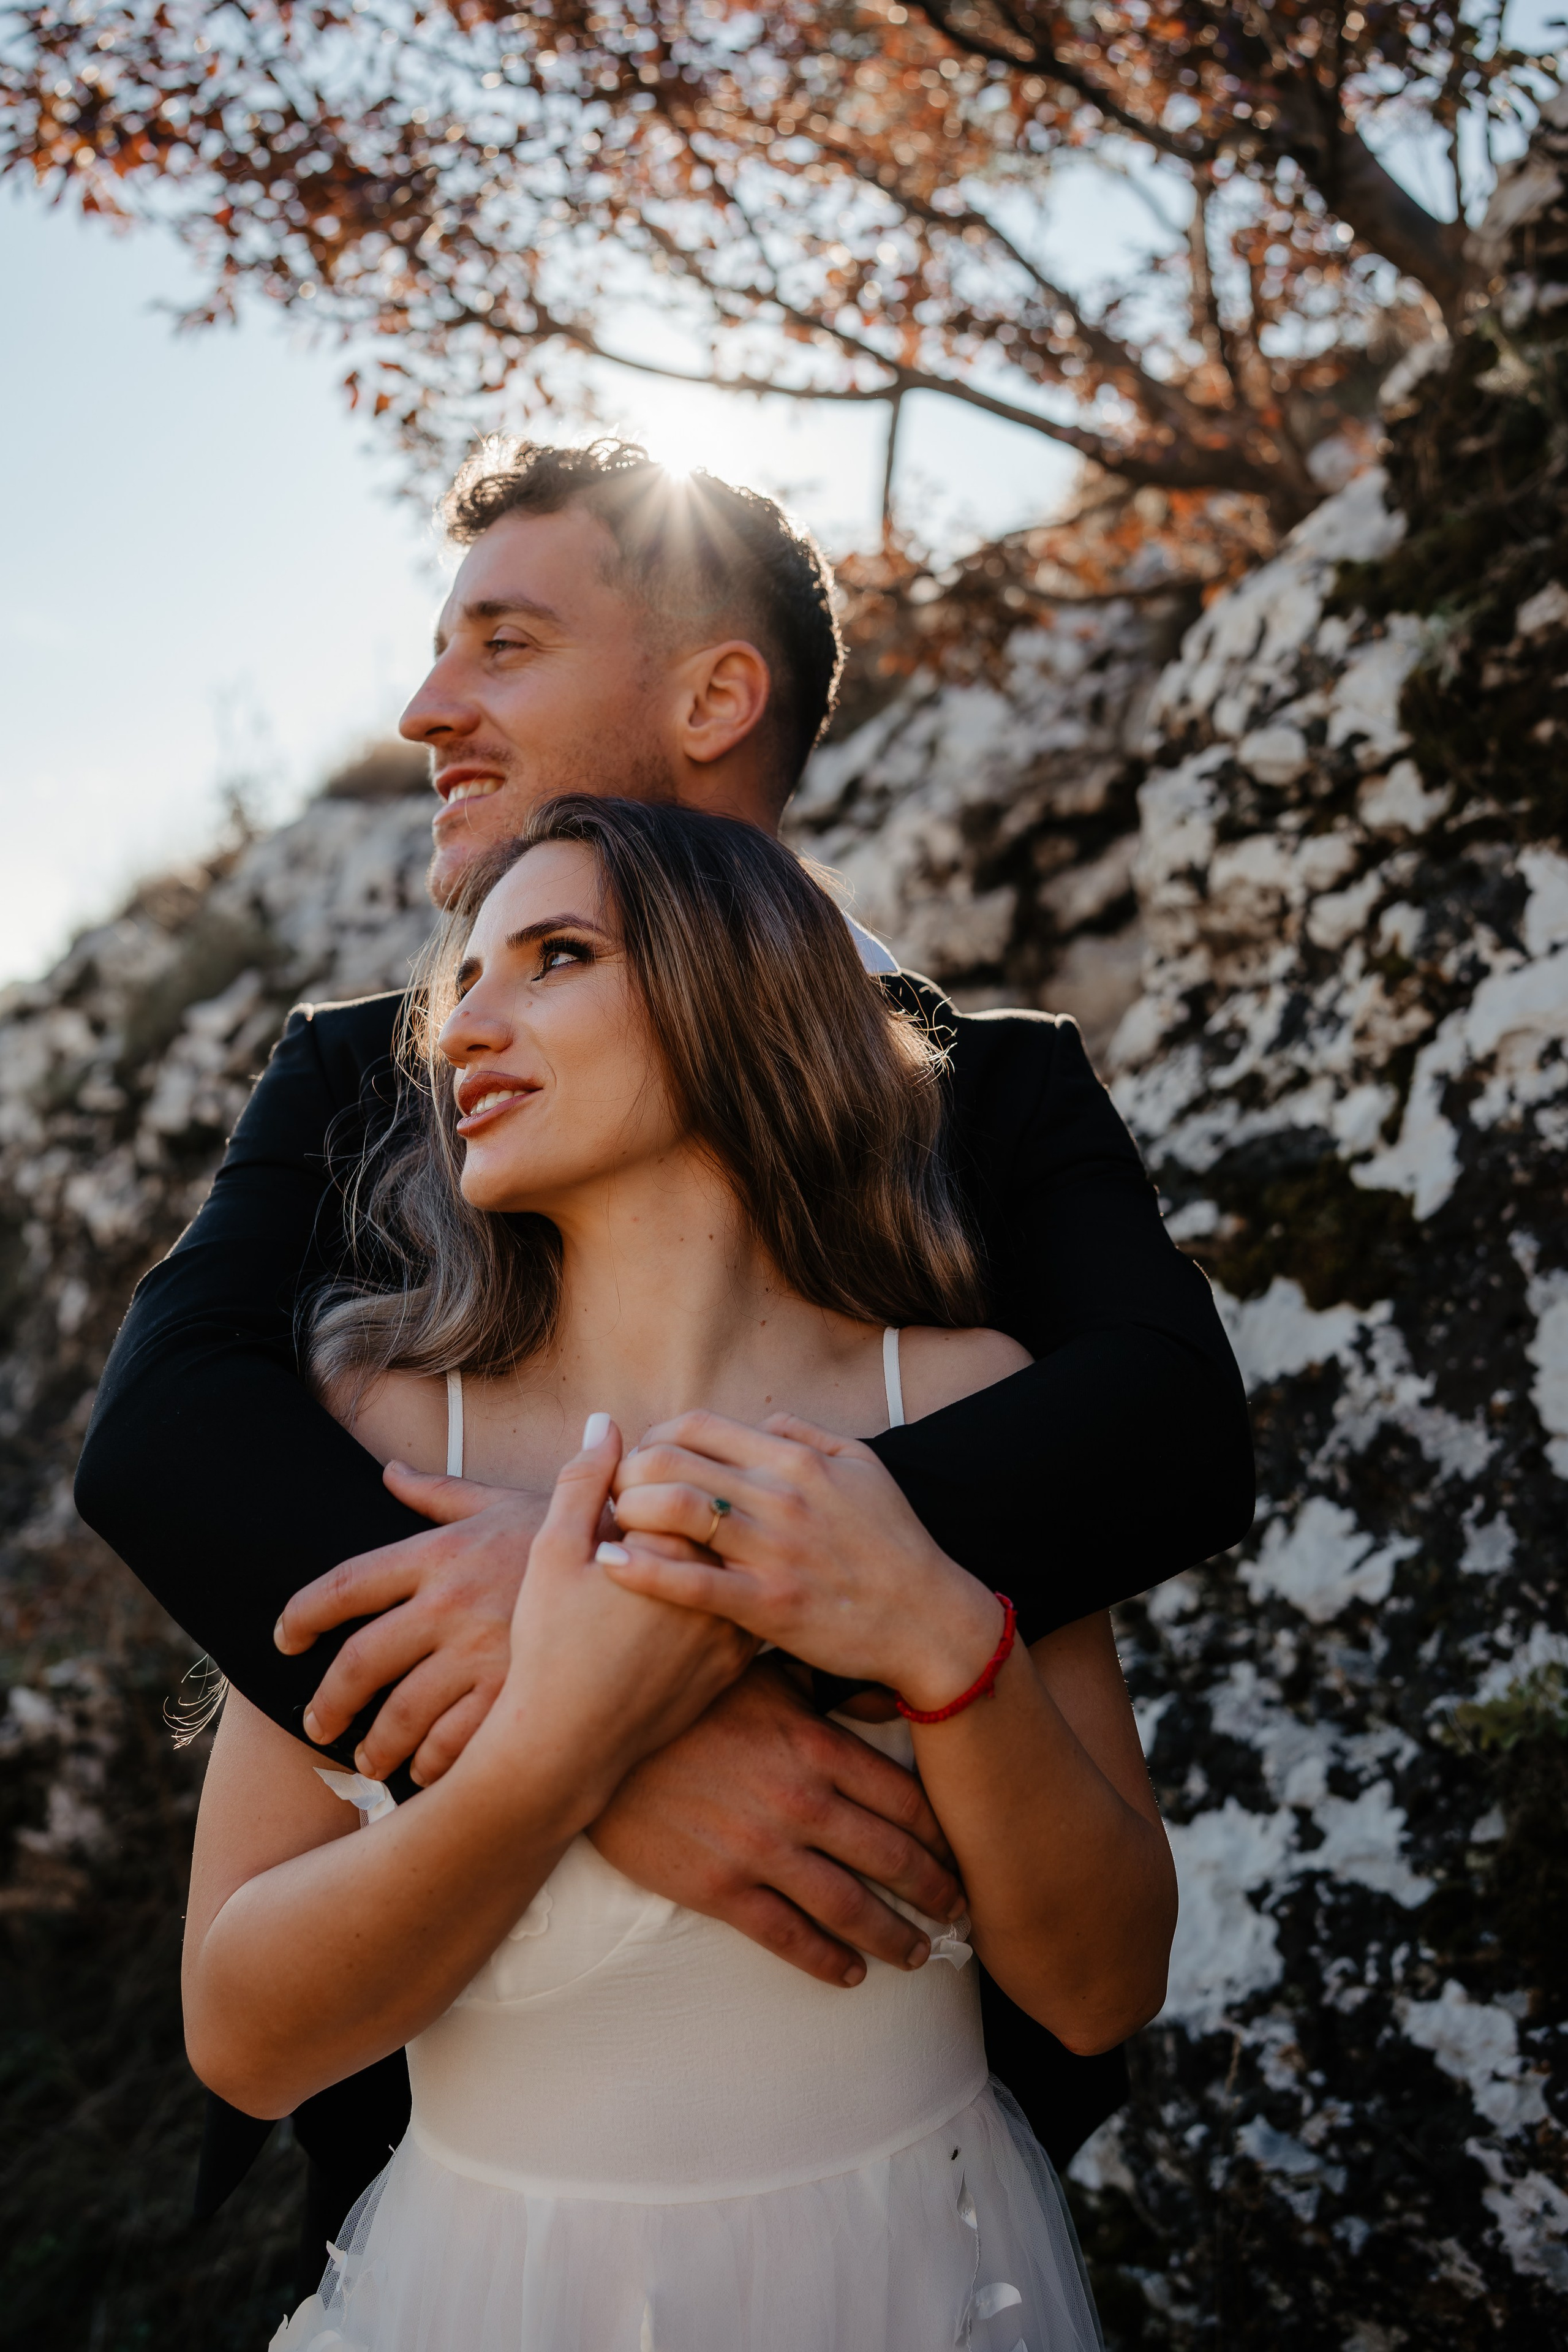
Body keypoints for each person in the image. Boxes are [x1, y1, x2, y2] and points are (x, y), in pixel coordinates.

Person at [75, 441, 1251, 2275]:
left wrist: (722, 1596)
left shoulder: (1001, 1092)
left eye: (504, 644)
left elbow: (1165, 1434)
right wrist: (590, 1719)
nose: (425, 707)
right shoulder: (357, 1072)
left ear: (715, 695)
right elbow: (163, 1434)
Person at [184, 797, 1175, 2351]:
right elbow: (241, 2041)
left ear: (742, 991)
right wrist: (561, 1755)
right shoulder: (378, 1438)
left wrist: (943, 1643)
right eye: (469, 980)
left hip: (914, 2278)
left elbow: (1102, 1988)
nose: (464, 1032)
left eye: (555, 958)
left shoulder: (970, 1401)